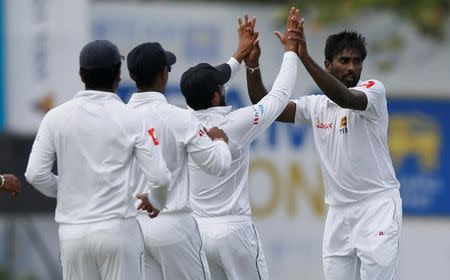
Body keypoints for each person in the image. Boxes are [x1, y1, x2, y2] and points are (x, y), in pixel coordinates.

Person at [246, 18, 402, 280]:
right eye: (344, 61)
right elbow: (267, 108)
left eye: (356, 61)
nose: (352, 67)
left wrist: (303, 57)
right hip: (339, 213)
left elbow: (345, 97)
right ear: (328, 65)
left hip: (377, 207)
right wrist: (252, 65)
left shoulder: (373, 92)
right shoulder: (316, 106)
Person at [25, 40, 172, 280]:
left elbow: (35, 175)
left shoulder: (56, 117)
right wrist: (156, 200)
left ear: (81, 74)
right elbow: (160, 177)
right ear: (118, 74)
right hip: (118, 231)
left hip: (73, 235)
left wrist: (68, 191)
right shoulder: (131, 119)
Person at [180, 8, 300, 280]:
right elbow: (279, 97)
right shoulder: (236, 123)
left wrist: (241, 56)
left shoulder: (182, 121)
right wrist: (291, 51)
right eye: (220, 86)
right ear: (215, 96)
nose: (224, 87)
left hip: (196, 232)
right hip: (234, 232)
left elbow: (211, 84)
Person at [125, 41, 235, 280]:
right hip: (174, 223)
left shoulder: (119, 117)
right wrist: (220, 142)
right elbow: (218, 165)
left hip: (134, 225)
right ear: (163, 74)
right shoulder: (178, 118)